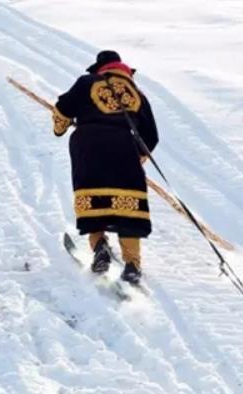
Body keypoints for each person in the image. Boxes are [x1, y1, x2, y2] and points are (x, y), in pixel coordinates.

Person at [53, 50, 159, 285]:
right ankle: (132, 264)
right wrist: (137, 157)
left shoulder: (86, 82)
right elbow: (150, 135)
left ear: (100, 69)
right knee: (129, 207)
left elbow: (63, 108)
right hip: (123, 148)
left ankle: (99, 247)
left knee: (94, 202)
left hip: (88, 146)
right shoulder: (136, 93)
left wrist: (61, 127)